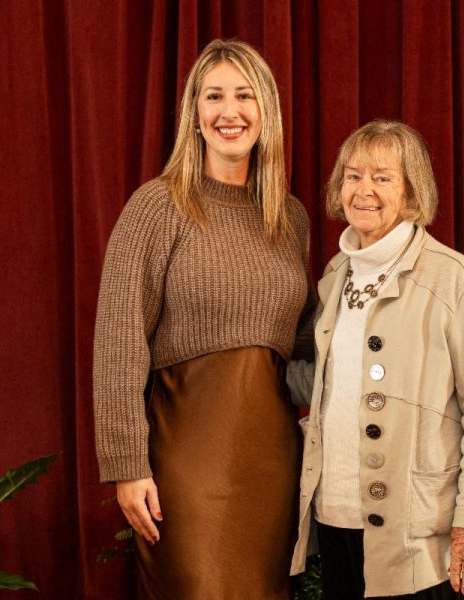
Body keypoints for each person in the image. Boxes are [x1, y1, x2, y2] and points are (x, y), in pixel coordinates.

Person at [93, 38, 312, 599]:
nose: (229, 111)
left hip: (273, 465)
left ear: (266, 110)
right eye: (213, 96)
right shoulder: (157, 206)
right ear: (194, 114)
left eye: (244, 95)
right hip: (184, 464)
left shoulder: (290, 219)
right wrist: (127, 465)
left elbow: (308, 345)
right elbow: (118, 342)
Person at [288, 120, 464, 599]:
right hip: (335, 516)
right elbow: (330, 384)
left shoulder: (454, 278)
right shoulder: (336, 274)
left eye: (382, 177)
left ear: (411, 191)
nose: (363, 190)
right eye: (353, 175)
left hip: (416, 531)